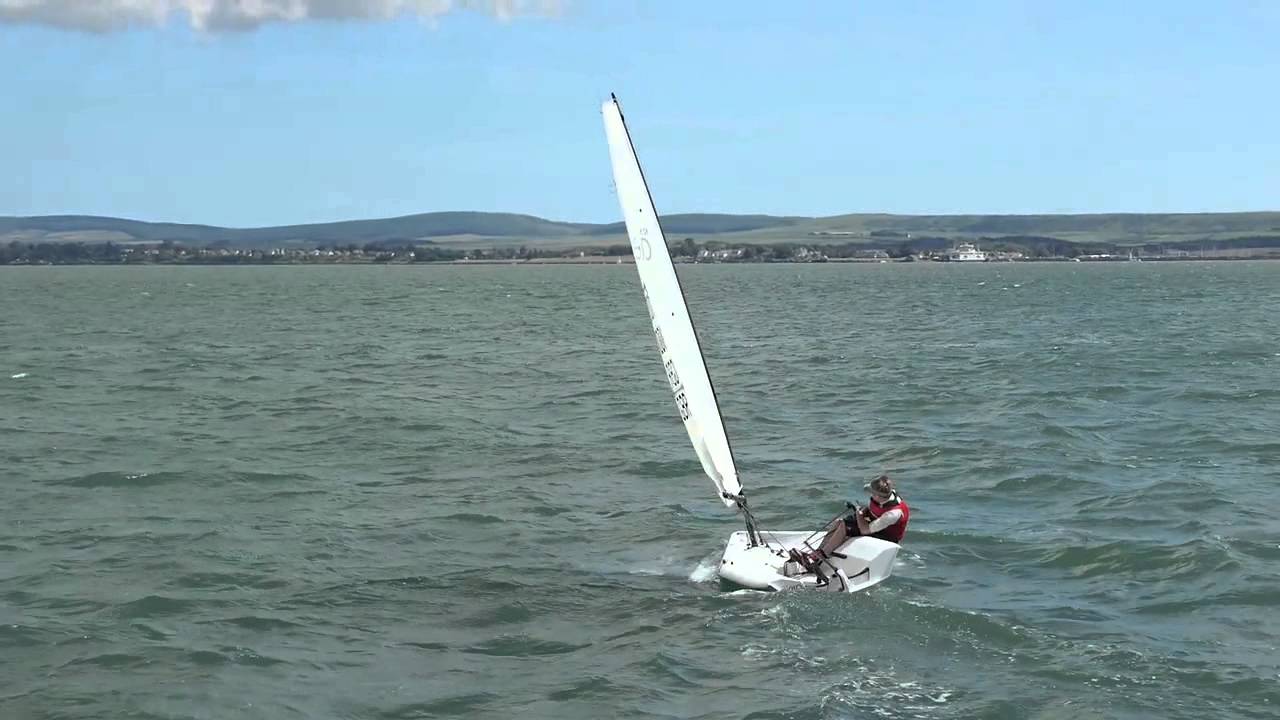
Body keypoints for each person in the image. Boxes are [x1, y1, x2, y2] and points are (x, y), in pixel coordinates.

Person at [789, 474, 910, 573]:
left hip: (885, 535)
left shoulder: (893, 514)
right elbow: (874, 510)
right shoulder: (885, 495)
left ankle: (819, 557)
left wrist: (858, 514)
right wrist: (864, 511)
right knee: (839, 522)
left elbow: (865, 530)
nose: (870, 494)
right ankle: (818, 553)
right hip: (874, 522)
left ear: (878, 496)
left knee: (845, 527)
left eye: (872, 493)